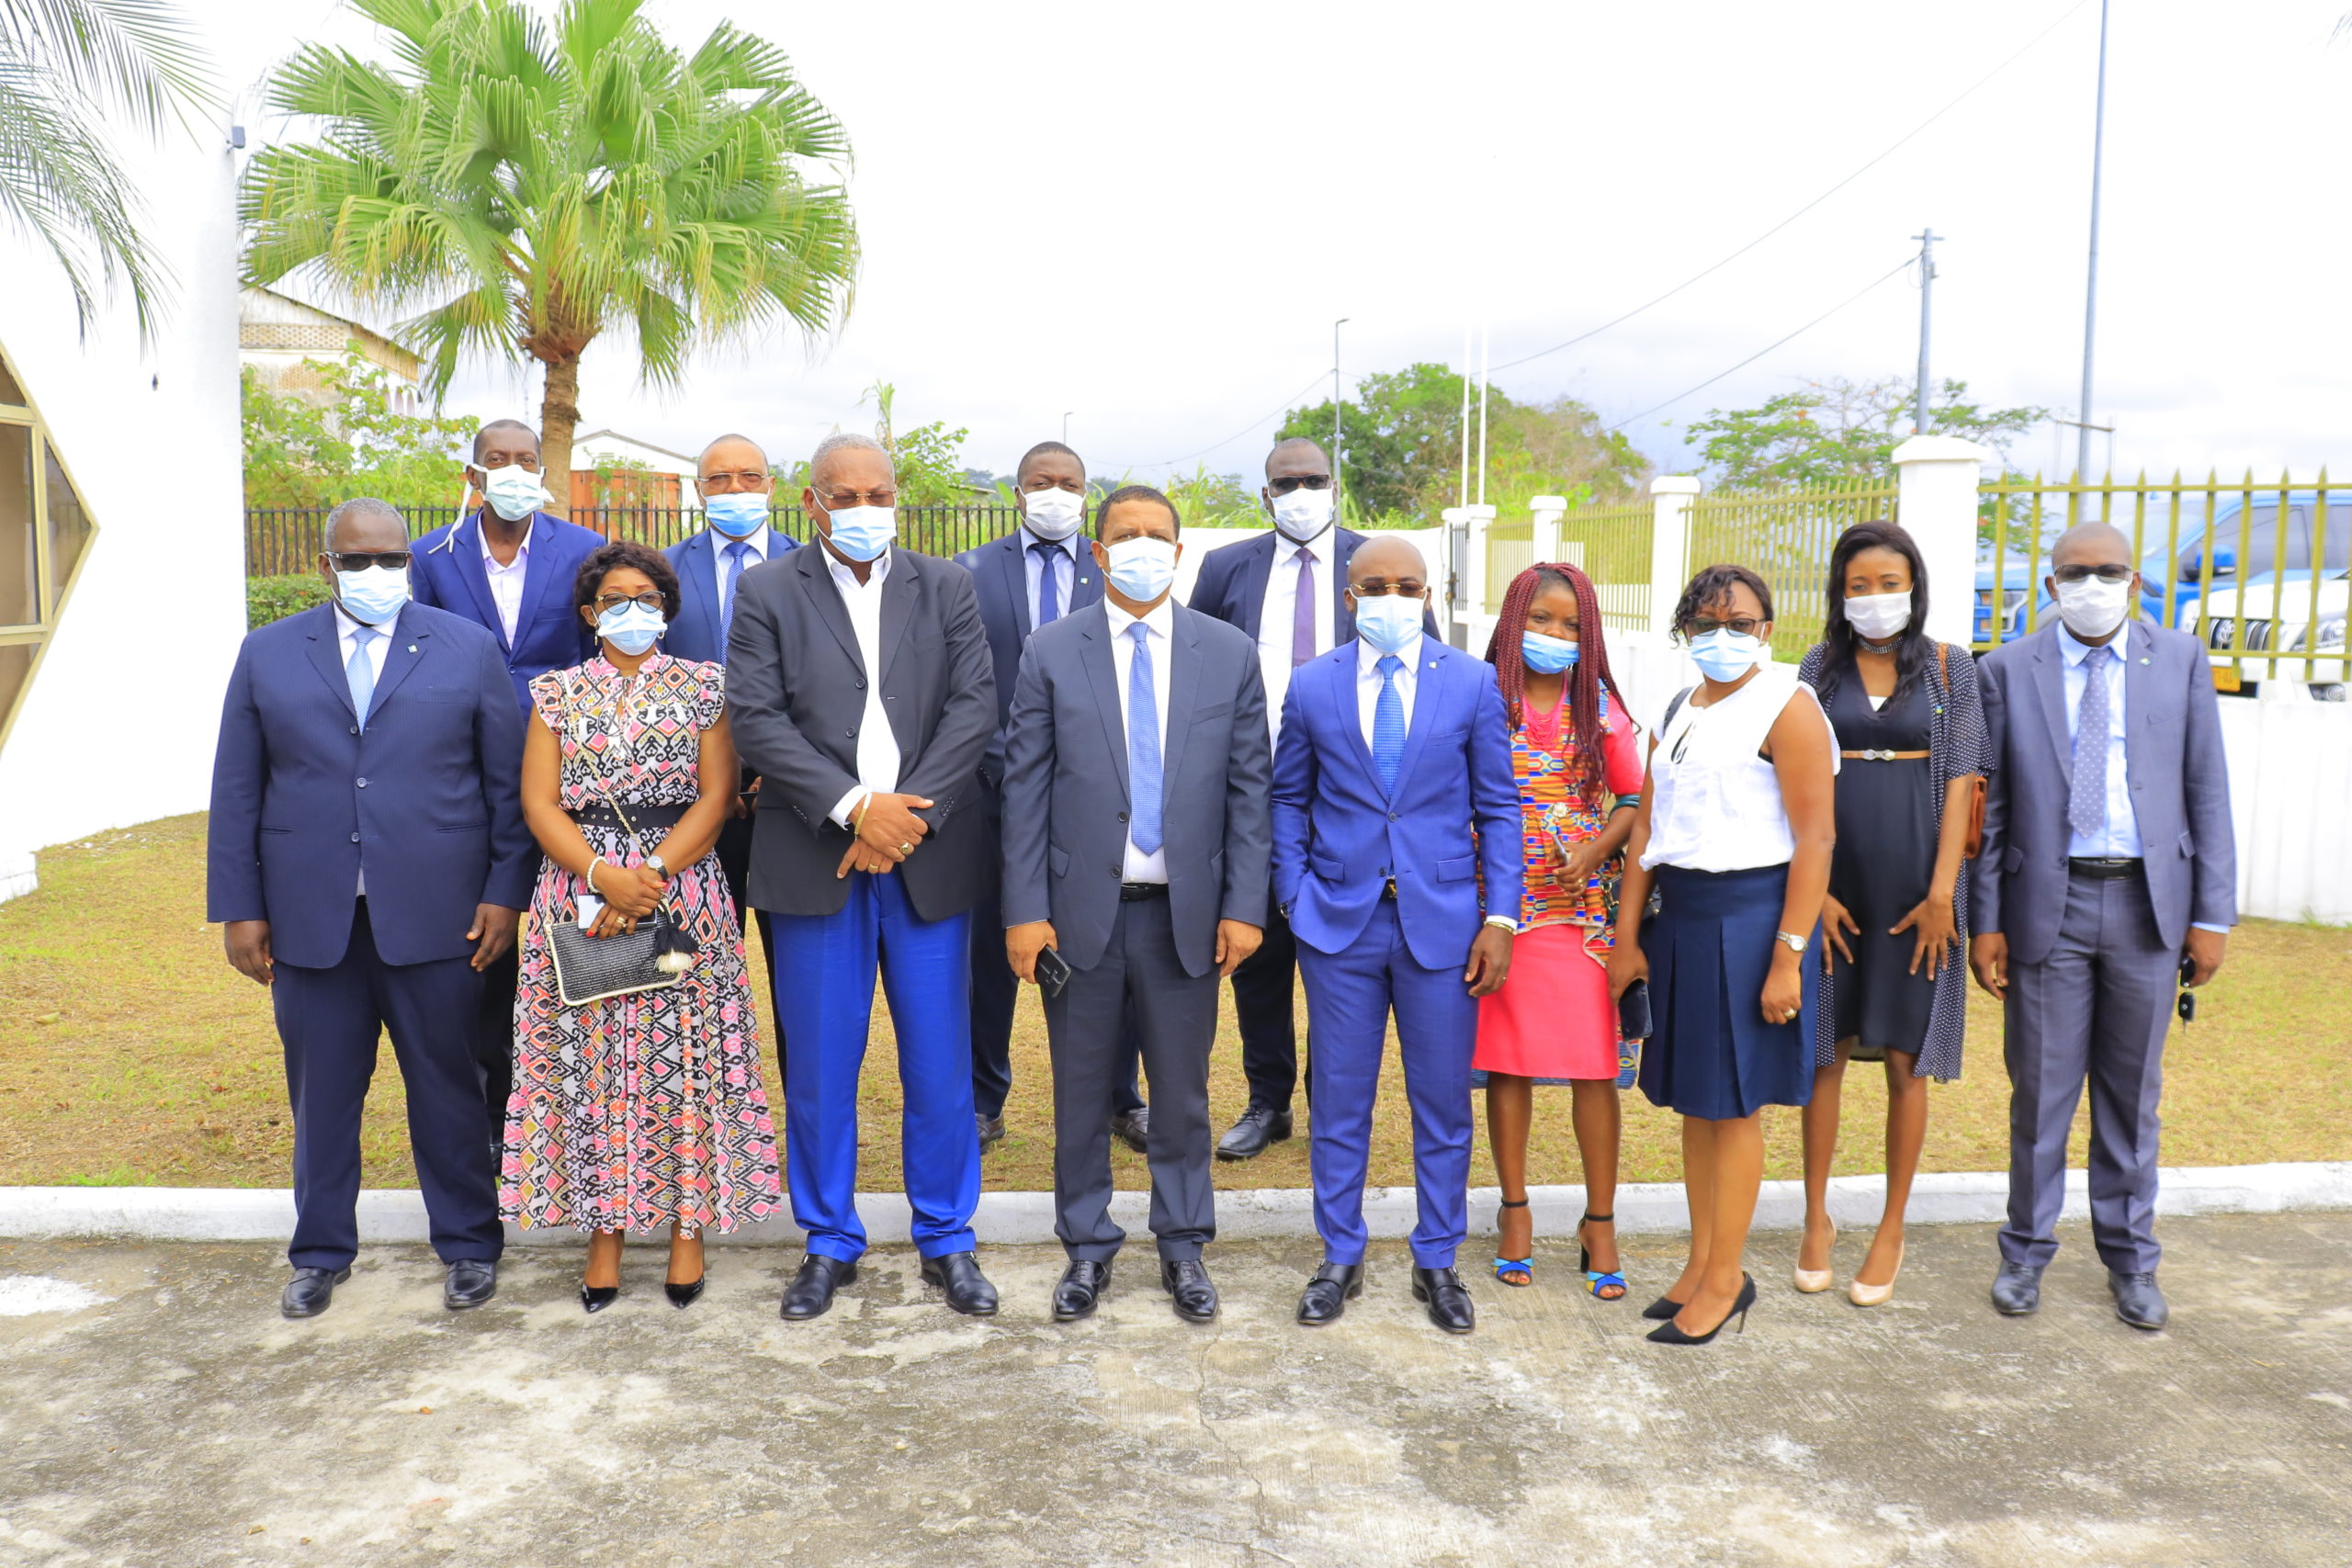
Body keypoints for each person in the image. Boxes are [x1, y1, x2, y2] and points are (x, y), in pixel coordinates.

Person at [208, 497, 531, 1319]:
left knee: (450, 1088)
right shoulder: (267, 653)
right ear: (328, 567)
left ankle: (469, 1242)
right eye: (358, 560)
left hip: (440, 916)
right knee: (320, 1097)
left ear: (410, 563)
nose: (376, 572)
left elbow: (507, 786)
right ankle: (319, 1252)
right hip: (311, 919)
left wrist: (504, 894)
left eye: (391, 558)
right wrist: (239, 906)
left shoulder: (467, 647)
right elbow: (237, 788)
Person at [726, 431, 1001, 1322]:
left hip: (926, 856)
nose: (862, 509)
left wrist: (902, 820)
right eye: (842, 496)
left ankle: (947, 1238)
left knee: (940, 1064)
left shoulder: (946, 585)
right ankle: (828, 1240)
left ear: (896, 499)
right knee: (817, 1065)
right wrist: (853, 809)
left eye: (877, 494)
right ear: (811, 503)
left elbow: (974, 709)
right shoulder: (767, 589)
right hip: (817, 858)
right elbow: (756, 718)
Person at [1001, 484, 1272, 1324]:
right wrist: (1023, 908)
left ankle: (1184, 1243)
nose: (1143, 546)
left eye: (1158, 535)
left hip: (1187, 916)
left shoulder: (1227, 652)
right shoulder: (1052, 649)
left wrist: (1245, 905)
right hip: (1078, 914)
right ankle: (1086, 1246)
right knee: (1081, 1092)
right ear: (1099, 550)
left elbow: (1250, 791)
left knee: (1182, 1094)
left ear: (1180, 553)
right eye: (1126, 534)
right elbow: (1024, 789)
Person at [503, 540, 783, 1312]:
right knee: (593, 1066)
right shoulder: (554, 693)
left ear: (667, 610)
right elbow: (539, 803)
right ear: (590, 614)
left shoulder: (705, 687)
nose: (633, 610)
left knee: (684, 1063)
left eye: (648, 598)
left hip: (680, 891)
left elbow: (717, 795)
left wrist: (648, 878)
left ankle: (688, 1228)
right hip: (580, 893)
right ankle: (606, 1232)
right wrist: (604, 877)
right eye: (616, 600)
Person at [1969, 521, 2234, 1331]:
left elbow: (2207, 790)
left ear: (2135, 581)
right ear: (2051, 586)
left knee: (2132, 1097)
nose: (2092, 585)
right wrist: (1986, 921)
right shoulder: (2006, 668)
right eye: (2075, 573)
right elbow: (1992, 809)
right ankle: (2025, 1252)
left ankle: (2132, 1259)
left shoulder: (2181, 659)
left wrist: (2211, 914)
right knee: (2040, 1093)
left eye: (2109, 571)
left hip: (2150, 908)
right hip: (2047, 906)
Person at [1272, 536, 1520, 1335]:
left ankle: (1437, 1257)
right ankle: (1339, 1254)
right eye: (1375, 586)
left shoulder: (1472, 682)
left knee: (1442, 1104)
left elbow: (1499, 806)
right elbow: (1288, 796)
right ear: (1350, 597)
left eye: (1407, 586)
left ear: (1428, 594)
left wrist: (1500, 916)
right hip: (1337, 927)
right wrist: (1293, 894)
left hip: (1443, 928)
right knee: (1339, 1103)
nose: (1392, 598)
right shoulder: (1313, 683)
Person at [1609, 565, 1837, 1347]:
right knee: (1696, 1104)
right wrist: (1627, 938)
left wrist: (1787, 957)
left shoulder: (1788, 705)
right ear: (1685, 631)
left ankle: (1728, 1278)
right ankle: (1702, 1262)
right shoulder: (1679, 707)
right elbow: (1647, 827)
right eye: (1705, 624)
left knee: (1735, 1106)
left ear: (1766, 629)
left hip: (1753, 920)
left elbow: (1816, 838)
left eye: (1739, 623)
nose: (1723, 637)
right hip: (1683, 917)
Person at [1188, 438, 1432, 1161]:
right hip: (1254, 790)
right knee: (1258, 951)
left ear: (1335, 485)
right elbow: (1195, 665)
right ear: (1266, 494)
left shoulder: (1380, 565)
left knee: (1343, 952)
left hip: (1355, 797)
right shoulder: (1226, 568)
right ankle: (1268, 1100)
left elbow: (1428, 667)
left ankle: (1334, 1100)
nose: (1300, 493)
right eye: (1286, 482)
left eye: (1313, 480)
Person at [1794, 522, 1988, 1307]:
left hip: (1919, 895)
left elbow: (1963, 779)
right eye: (1859, 586)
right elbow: (1793, 778)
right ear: (1840, 593)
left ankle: (1891, 1226)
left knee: (1907, 1062)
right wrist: (1814, 893)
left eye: (1889, 583)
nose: (1875, 598)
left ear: (1914, 587)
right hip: (1832, 888)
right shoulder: (1817, 667)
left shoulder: (1949, 667)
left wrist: (1943, 895)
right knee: (1825, 1054)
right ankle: (1815, 1217)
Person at [410, 419, 608, 1159]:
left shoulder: (583, 549)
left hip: (569, 778)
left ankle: (572, 1108)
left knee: (573, 940)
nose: (516, 471)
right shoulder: (432, 555)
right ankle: (492, 1118)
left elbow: (596, 655)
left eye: (527, 459)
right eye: (500, 460)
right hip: (465, 774)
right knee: (484, 947)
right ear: (474, 475)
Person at [954, 441, 1148, 1154]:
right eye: (1042, 482)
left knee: (1110, 951)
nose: (1055, 492)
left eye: (1069, 483)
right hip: (991, 794)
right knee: (989, 955)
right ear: (1018, 492)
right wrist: (1013, 764)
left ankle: (1121, 1096)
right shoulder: (971, 572)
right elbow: (961, 684)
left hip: (1096, 800)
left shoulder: (1115, 568)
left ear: (1086, 494)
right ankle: (983, 1098)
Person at [1474, 563, 1644, 1298]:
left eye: (1572, 625)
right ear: (1514, 621)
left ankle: (1599, 1221)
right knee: (1507, 1064)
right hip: (1499, 913)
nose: (1554, 633)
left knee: (1593, 1068)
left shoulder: (1599, 707)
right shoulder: (1482, 696)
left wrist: (1595, 850)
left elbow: (1634, 799)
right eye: (1540, 619)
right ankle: (1514, 1211)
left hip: (1578, 917)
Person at [662, 433, 795, 1000]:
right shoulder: (663, 570)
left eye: (748, 477)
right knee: (695, 970)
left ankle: (800, 1064)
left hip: (792, 792)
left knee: (797, 969)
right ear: (699, 490)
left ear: (770, 486)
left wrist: (781, 769)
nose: (735, 488)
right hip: (690, 793)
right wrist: (706, 774)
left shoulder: (813, 565)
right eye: (719, 479)